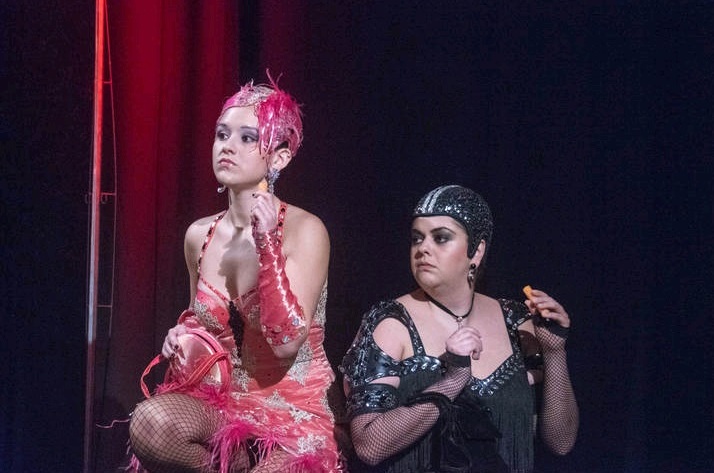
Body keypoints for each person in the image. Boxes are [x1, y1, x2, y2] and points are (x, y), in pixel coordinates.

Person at [128, 76, 344, 472]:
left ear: (279, 158)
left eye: (248, 138)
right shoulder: (199, 235)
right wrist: (181, 335)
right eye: (221, 134)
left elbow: (286, 343)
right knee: (149, 423)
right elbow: (200, 320)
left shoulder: (306, 230)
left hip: (292, 418)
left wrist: (268, 246)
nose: (227, 146)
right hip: (223, 409)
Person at [340, 184, 579, 473]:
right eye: (417, 239)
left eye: (441, 238)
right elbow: (369, 446)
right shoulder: (391, 322)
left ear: (476, 251)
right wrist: (452, 381)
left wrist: (554, 352)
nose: (423, 248)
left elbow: (561, 442)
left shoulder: (515, 321)